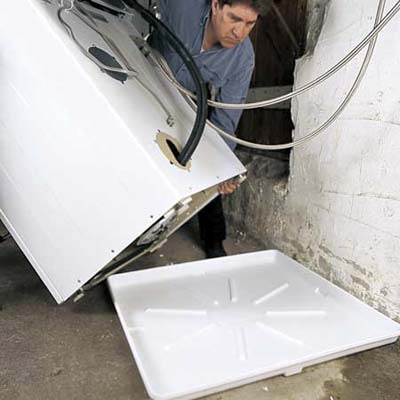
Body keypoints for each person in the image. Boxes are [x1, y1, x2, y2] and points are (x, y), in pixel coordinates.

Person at [151, 0, 271, 258]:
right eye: (234, 19)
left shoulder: (242, 59)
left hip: (185, 100)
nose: (239, 32)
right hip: (144, 79)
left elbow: (227, 119)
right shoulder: (183, 7)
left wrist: (221, 168)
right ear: (215, 5)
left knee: (203, 152)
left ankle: (214, 241)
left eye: (249, 24)